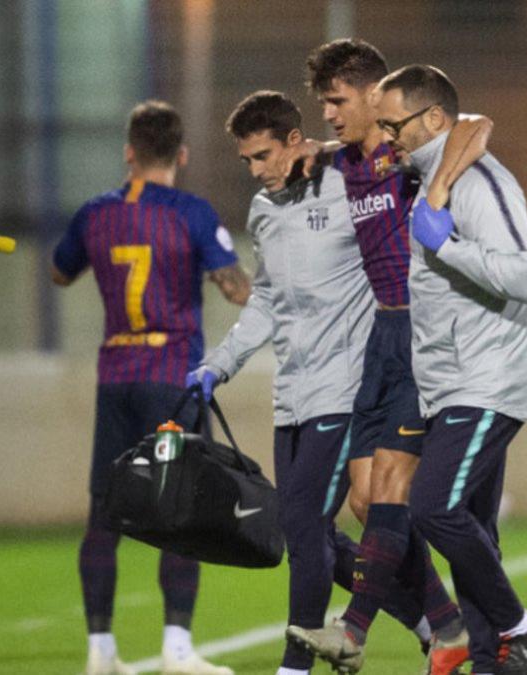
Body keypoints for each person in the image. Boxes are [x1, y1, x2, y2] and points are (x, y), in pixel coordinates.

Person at [193, 90, 445, 675]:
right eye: (247, 161)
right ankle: (432, 620)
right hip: (293, 395)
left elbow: (394, 167)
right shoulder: (263, 210)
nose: (256, 171)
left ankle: (295, 666)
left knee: (307, 527)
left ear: (293, 143)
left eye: (263, 156)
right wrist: (218, 364)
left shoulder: (347, 187)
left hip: (348, 386)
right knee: (308, 530)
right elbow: (268, 302)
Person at [286, 39, 490, 675]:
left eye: (336, 100)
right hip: (383, 335)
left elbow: (477, 125)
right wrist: (320, 150)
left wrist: (439, 186)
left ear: (374, 96)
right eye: (323, 102)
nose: (326, 113)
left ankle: (357, 630)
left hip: (425, 336)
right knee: (364, 501)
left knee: (394, 488)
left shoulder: (410, 160)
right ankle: (449, 625)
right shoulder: (346, 162)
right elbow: (326, 151)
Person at [51, 100, 250, 675]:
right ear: (181, 155)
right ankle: (177, 650)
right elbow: (233, 285)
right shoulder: (190, 212)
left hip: (115, 377)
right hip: (173, 380)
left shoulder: (95, 215)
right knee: (181, 513)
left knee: (103, 515)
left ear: (129, 152)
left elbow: (61, 272)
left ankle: (100, 651)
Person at [393, 64, 527, 674]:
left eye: (392, 123)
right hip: (452, 382)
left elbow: (525, 277)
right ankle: (491, 662)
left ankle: (519, 626)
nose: (387, 136)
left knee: (431, 506)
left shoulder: (480, 182)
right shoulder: (426, 179)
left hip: (486, 377)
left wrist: (447, 244)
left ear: (432, 119)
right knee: (472, 529)